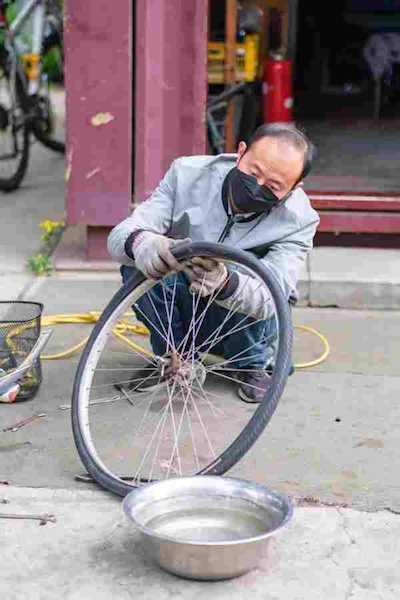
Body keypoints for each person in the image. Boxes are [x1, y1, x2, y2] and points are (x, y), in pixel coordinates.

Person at [108, 123, 319, 403]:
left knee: (255, 272)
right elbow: (121, 234)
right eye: (253, 173)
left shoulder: (299, 221)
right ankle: (173, 357)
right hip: (184, 299)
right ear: (241, 152)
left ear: (294, 188)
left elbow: (273, 297)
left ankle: (250, 364)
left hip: (240, 321)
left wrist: (225, 282)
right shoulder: (187, 174)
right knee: (137, 261)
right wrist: (144, 243)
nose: (256, 188)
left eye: (274, 186)